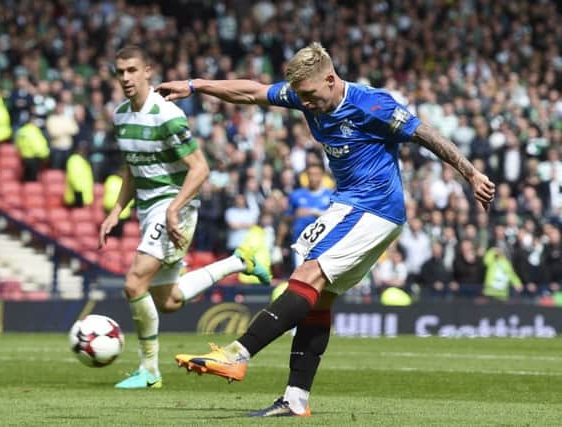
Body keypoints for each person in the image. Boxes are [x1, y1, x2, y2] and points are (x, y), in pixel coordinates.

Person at [157, 42, 495, 417]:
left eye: (311, 95)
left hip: (372, 205)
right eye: (300, 96)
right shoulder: (305, 95)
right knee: (321, 296)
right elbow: (251, 93)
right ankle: (295, 399)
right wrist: (195, 85)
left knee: (307, 274)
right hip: (351, 204)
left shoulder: (371, 104)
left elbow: (425, 133)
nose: (306, 103)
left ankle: (238, 355)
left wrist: (472, 173)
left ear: (331, 80)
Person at [98, 45, 271, 390]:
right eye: (121, 72)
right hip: (148, 209)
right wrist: (117, 210)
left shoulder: (167, 115)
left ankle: (150, 371)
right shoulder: (120, 115)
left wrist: (175, 208)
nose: (126, 78)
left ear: (148, 71)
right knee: (170, 301)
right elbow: (131, 169)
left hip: (174, 205)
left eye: (133, 70)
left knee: (134, 284)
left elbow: (200, 168)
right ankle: (238, 262)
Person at [275, 161, 333, 271]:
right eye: (310, 174)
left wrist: (313, 212)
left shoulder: (330, 195)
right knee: (300, 278)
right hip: (300, 245)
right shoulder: (296, 195)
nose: (313, 178)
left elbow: (336, 218)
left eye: (316, 174)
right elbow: (286, 220)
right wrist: (278, 246)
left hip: (322, 245)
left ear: (322, 175)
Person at [63, 143, 94, 208]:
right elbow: (74, 178)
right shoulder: (75, 160)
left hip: (83, 197)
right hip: (77, 197)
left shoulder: (83, 160)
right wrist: (79, 195)